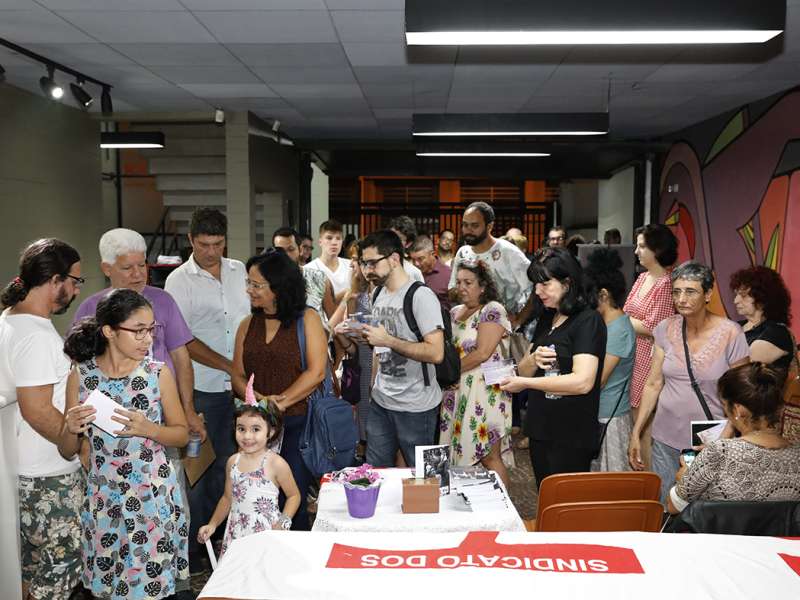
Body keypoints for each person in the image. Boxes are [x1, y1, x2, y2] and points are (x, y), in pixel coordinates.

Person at [59, 289, 189, 599]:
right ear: (109, 331)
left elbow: (182, 434)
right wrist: (71, 429)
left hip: (151, 497)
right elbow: (66, 450)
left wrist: (149, 429)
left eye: (152, 329)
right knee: (109, 587)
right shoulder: (82, 376)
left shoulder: (157, 373)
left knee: (149, 586)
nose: (148, 338)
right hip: (105, 500)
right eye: (139, 330)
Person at [164, 207, 250, 570]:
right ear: (190, 241)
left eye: (217, 244)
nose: (211, 252)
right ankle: (197, 550)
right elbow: (183, 340)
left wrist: (242, 372)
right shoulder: (178, 281)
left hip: (242, 386)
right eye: (203, 245)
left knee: (239, 463)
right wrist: (230, 367)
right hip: (203, 386)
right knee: (202, 468)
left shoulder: (239, 270)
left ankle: (229, 538)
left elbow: (247, 321)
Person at [0, 239, 84, 600]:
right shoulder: (34, 334)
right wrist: (72, 444)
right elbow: (37, 409)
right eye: (75, 281)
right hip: (47, 477)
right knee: (55, 579)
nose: (77, 291)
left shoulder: (10, 319)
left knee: (29, 576)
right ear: (54, 279)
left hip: (25, 469)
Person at [628, 261, 750, 503]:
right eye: (676, 291)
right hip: (665, 435)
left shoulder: (730, 333)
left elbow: (743, 395)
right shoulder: (665, 329)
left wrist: (723, 438)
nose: (681, 299)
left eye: (690, 291)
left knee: (703, 508)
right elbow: (653, 383)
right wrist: (636, 431)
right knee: (666, 503)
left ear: (707, 294)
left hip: (711, 438)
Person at [231, 249, 327, 530]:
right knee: (255, 497)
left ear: (279, 287)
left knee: (291, 495)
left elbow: (316, 371)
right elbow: (237, 374)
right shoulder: (247, 324)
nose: (250, 290)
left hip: (298, 424)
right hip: (254, 430)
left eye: (257, 285)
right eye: (248, 283)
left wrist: (280, 403)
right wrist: (261, 403)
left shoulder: (306, 319)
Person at [500, 248, 606, 487]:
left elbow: (582, 382)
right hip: (541, 427)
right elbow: (524, 370)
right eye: (536, 285)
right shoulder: (549, 317)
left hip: (571, 432)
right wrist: (532, 360)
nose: (538, 292)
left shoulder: (588, 320)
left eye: (545, 284)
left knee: (566, 506)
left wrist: (527, 383)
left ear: (567, 283)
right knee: (546, 497)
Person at [355, 230, 444, 468]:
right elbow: (378, 347)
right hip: (382, 399)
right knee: (376, 470)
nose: (367, 269)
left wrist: (389, 341)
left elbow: (436, 353)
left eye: (373, 262)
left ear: (394, 259)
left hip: (417, 404)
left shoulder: (421, 296)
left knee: (424, 475)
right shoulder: (378, 294)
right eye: (364, 263)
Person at [668, 363, 800, 513]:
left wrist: (685, 477)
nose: (725, 412)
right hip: (780, 537)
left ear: (737, 409)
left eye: (724, 405)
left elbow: (674, 507)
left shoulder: (719, 452)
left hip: (723, 536)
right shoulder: (796, 455)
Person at [439, 260, 513, 488]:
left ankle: (503, 511)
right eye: (459, 282)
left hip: (485, 393)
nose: (461, 287)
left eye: (468, 282)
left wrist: (449, 375)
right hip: (457, 392)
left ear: (483, 286)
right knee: (457, 450)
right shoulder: (454, 312)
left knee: (489, 456)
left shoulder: (492, 310)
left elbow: (482, 353)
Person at [197, 401, 300, 557]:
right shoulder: (233, 462)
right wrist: (212, 524)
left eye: (256, 429)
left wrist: (283, 523)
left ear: (270, 432)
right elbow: (227, 498)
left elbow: (294, 496)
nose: (247, 436)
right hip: (237, 533)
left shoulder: (275, 463)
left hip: (267, 532)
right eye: (241, 429)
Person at [622, 224, 677, 468]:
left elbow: (657, 329)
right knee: (636, 421)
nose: (636, 251)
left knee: (643, 423)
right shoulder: (643, 277)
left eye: (642, 246)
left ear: (658, 249)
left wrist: (624, 321)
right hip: (633, 352)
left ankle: (650, 481)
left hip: (649, 357)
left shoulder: (665, 283)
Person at [584, 248, 636, 472]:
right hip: (600, 415)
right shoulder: (607, 325)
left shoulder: (619, 330)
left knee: (610, 483)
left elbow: (600, 379)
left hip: (610, 418)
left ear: (603, 294)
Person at [448, 202, 534, 329]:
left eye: (474, 225)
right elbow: (452, 290)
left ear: (490, 226)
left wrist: (519, 320)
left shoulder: (508, 252)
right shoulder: (463, 253)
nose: (468, 230)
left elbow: (534, 288)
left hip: (502, 326)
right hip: (470, 324)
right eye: (465, 225)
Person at [272, 226, 344, 330]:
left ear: (300, 249)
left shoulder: (319, 279)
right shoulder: (267, 282)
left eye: (291, 249)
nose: (286, 255)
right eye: (280, 251)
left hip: (318, 342)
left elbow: (333, 321)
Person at [730, 266, 795, 370]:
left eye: (743, 296)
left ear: (762, 297)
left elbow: (738, 372)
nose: (736, 301)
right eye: (736, 294)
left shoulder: (776, 333)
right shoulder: (736, 326)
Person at [306, 220, 352, 302]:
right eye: (329, 238)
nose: (334, 242)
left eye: (338, 238)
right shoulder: (309, 269)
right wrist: (345, 294)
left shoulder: (350, 265)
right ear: (320, 241)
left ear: (342, 242)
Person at [409, 235, 453, 311]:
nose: (416, 264)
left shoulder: (448, 274)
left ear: (433, 254)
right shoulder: (410, 273)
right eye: (413, 260)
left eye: (420, 259)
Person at [388, 215, 426, 283]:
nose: (392, 241)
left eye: (398, 239)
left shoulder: (413, 273)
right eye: (390, 236)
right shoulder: (375, 266)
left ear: (408, 244)